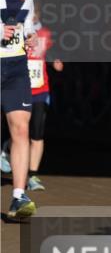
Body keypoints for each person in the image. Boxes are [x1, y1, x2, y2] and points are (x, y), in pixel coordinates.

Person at [0, 0, 37, 219]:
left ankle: (18, 197)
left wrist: (32, 36)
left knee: (21, 128)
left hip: (15, 67)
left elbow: (30, 21)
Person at [25, 21, 63, 191]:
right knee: (18, 131)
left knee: (37, 133)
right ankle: (6, 151)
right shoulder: (14, 30)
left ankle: (32, 175)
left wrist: (56, 61)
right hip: (18, 89)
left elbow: (54, 53)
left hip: (40, 90)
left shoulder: (45, 33)